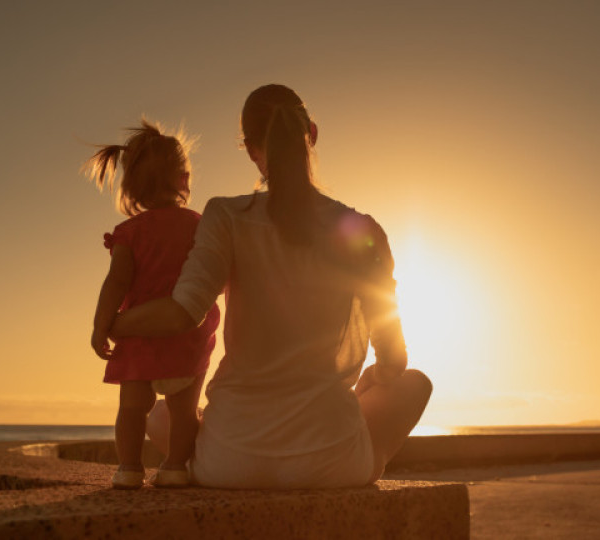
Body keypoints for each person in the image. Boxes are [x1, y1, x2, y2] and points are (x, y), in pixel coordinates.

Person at [110, 84, 432, 489]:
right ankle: (355, 456)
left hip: (226, 463)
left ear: (248, 148)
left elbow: (183, 311)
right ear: (311, 134)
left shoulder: (223, 215)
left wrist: (113, 324)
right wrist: (372, 378)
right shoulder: (361, 230)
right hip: (329, 463)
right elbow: (393, 360)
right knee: (416, 382)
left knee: (161, 416)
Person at [86, 120, 220, 489]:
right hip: (187, 334)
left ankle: (129, 469)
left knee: (132, 409)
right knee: (183, 410)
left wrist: (101, 325)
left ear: (132, 187)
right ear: (183, 178)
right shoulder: (200, 225)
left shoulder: (130, 232)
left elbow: (117, 282)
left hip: (140, 333)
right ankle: (176, 467)